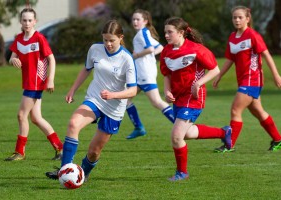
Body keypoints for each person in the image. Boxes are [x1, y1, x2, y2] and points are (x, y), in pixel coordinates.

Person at [45, 20, 137, 181]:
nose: (108, 44)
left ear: (120, 37)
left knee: (94, 152)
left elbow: (133, 90)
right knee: (73, 124)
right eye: (105, 40)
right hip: (95, 99)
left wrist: (113, 95)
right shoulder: (95, 49)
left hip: (114, 108)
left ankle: (83, 173)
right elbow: (86, 69)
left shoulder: (126, 58)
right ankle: (64, 170)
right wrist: (73, 89)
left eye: (112, 40)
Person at [160, 17, 232, 181]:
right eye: (165, 32)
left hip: (193, 97)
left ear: (181, 33)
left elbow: (215, 70)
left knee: (176, 136)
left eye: (169, 32)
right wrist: (166, 91)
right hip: (178, 97)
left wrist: (198, 83)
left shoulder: (196, 49)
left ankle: (182, 173)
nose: (166, 35)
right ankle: (223, 132)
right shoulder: (166, 51)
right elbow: (167, 75)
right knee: (188, 133)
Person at [212, 6, 281, 153]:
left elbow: (267, 55)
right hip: (243, 81)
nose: (237, 20)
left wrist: (276, 75)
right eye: (234, 17)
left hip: (252, 80)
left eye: (240, 17)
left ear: (247, 19)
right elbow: (230, 60)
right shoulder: (232, 37)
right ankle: (278, 140)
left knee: (235, 110)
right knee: (259, 112)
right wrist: (219, 76)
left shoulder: (253, 35)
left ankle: (229, 145)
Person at [4, 8, 63, 161]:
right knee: (36, 118)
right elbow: (12, 57)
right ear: (20, 22)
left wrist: (51, 79)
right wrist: (13, 60)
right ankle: (60, 148)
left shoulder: (39, 38)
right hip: (28, 83)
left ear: (35, 21)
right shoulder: (18, 39)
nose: (27, 23)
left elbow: (52, 59)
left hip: (36, 83)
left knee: (21, 115)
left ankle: (20, 152)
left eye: (30, 20)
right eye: (24, 20)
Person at [126, 9, 175, 139]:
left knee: (156, 102)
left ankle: (179, 123)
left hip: (145, 74)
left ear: (145, 21)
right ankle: (138, 128)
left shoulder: (142, 33)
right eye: (133, 19)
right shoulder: (144, 33)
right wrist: (147, 57)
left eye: (138, 19)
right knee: (125, 99)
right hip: (142, 73)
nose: (135, 22)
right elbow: (160, 48)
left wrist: (136, 55)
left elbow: (150, 49)